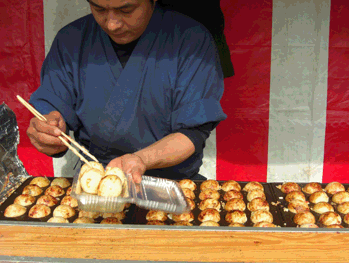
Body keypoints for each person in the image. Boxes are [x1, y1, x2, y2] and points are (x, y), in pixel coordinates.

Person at [26, 0, 227, 183]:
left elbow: (192, 134)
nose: (112, 23)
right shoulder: (71, 40)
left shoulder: (191, 40)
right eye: (99, 9)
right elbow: (53, 109)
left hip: (173, 185)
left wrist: (141, 160)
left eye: (126, 9)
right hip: (96, 186)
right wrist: (49, 130)